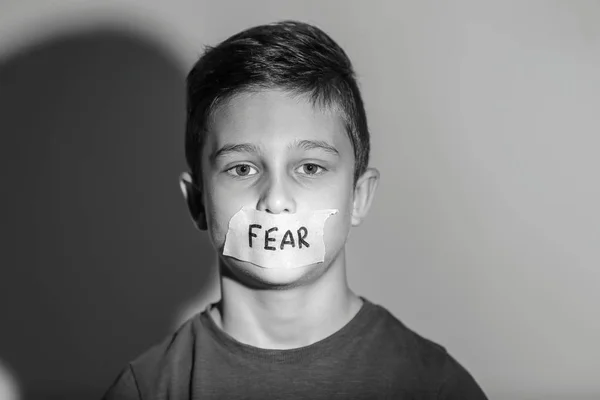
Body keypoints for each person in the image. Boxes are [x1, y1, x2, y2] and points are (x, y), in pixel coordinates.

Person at [102, 20, 488, 399]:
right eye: (242, 168)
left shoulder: (433, 386)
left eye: (309, 167)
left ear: (358, 196)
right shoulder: (147, 389)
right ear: (197, 200)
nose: (275, 199)